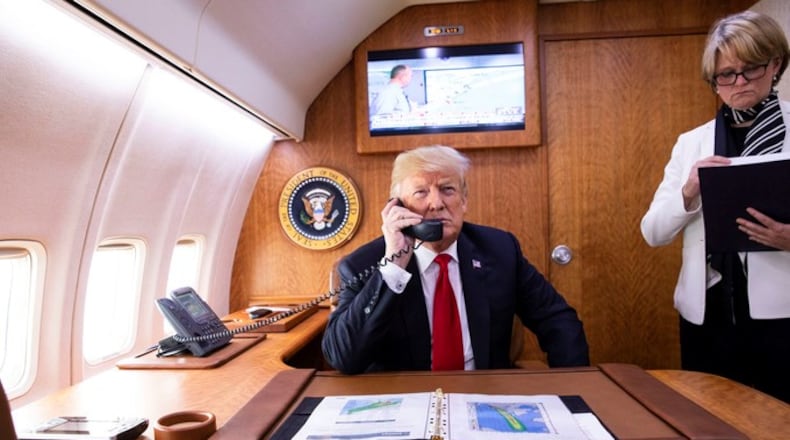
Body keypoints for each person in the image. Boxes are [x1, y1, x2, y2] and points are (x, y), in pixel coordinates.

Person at [322, 145, 589, 374]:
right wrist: (394, 266)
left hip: (484, 395)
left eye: (447, 189)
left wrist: (572, 391)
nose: (436, 203)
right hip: (407, 401)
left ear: (464, 200)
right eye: (421, 193)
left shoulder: (500, 250)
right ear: (398, 207)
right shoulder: (363, 265)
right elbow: (344, 357)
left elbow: (558, 321)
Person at [641, 10, 790, 403]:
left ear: (775, 64)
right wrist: (689, 191)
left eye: (750, 69)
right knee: (709, 420)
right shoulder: (690, 143)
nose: (738, 83)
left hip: (783, 316)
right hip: (707, 314)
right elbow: (653, 232)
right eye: (726, 74)